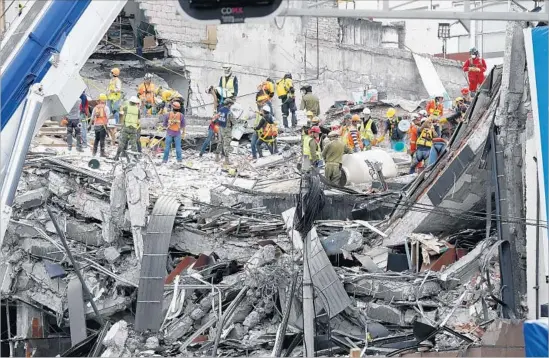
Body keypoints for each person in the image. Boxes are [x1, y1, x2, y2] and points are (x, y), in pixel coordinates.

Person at [114, 96, 141, 161]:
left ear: (130, 102)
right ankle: (135, 157)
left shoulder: (127, 107)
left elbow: (120, 109)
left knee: (122, 142)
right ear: (135, 103)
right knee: (133, 143)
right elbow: (138, 118)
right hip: (134, 128)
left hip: (126, 127)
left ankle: (117, 156)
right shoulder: (138, 110)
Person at [214, 98, 236, 165]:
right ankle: (227, 160)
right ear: (229, 104)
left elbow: (217, 118)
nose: (231, 105)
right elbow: (234, 122)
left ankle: (217, 157)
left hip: (220, 128)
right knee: (226, 144)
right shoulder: (229, 112)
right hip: (227, 129)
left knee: (220, 142)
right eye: (231, 104)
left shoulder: (220, 110)